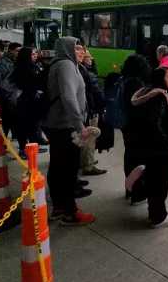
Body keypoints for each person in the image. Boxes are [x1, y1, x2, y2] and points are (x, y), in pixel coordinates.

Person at [42, 37, 95, 226]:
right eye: (77, 48)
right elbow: (69, 97)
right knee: (68, 168)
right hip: (65, 126)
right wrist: (80, 126)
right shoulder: (65, 65)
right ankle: (70, 212)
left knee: (59, 166)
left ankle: (59, 208)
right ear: (67, 49)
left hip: (60, 125)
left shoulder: (62, 64)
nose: (82, 52)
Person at [129, 67, 168, 228]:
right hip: (158, 149)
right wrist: (166, 142)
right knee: (160, 182)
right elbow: (154, 124)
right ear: (161, 79)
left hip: (146, 146)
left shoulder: (145, 93)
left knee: (154, 180)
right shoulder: (159, 97)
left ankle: (154, 213)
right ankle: (159, 217)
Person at [120, 54, 151, 205]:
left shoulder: (125, 80)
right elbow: (139, 107)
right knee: (138, 160)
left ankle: (130, 189)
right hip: (136, 127)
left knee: (130, 156)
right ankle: (138, 193)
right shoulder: (136, 84)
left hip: (127, 126)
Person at [8, 47, 48, 158]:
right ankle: (23, 149)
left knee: (33, 126)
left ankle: (32, 147)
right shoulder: (23, 68)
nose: (35, 55)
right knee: (25, 126)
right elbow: (32, 82)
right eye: (32, 54)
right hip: (24, 101)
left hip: (30, 101)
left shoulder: (31, 66)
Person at [79, 50, 107, 176]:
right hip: (91, 110)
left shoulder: (80, 70)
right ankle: (88, 165)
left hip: (86, 110)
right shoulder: (88, 73)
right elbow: (97, 93)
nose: (92, 60)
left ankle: (85, 161)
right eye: (89, 58)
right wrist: (103, 106)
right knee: (90, 139)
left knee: (85, 138)